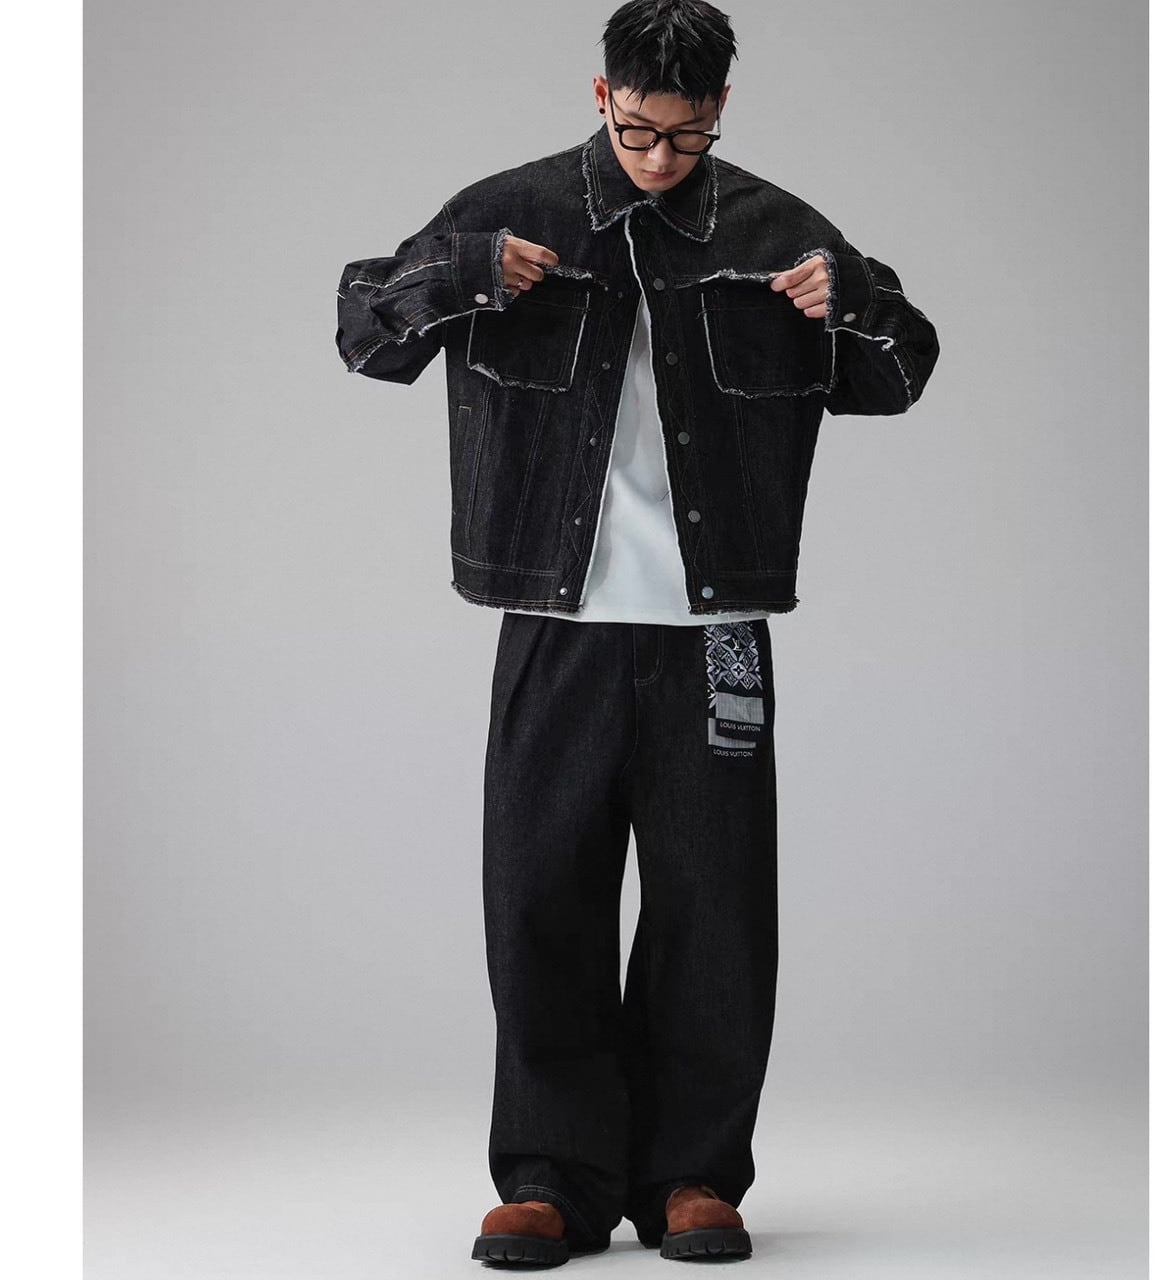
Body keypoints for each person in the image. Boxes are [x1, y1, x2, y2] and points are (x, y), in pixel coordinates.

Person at [335, 0, 939, 1266]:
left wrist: (853, 302)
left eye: (687, 135)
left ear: (720, 111)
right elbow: (363, 332)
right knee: (539, 897)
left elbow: (900, 370)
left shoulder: (775, 229)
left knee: (715, 911)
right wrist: (464, 275)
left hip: (713, 628)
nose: (660, 158)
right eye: (638, 131)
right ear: (599, 95)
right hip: (553, 618)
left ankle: (692, 1176)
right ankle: (549, 1176)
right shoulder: (511, 211)